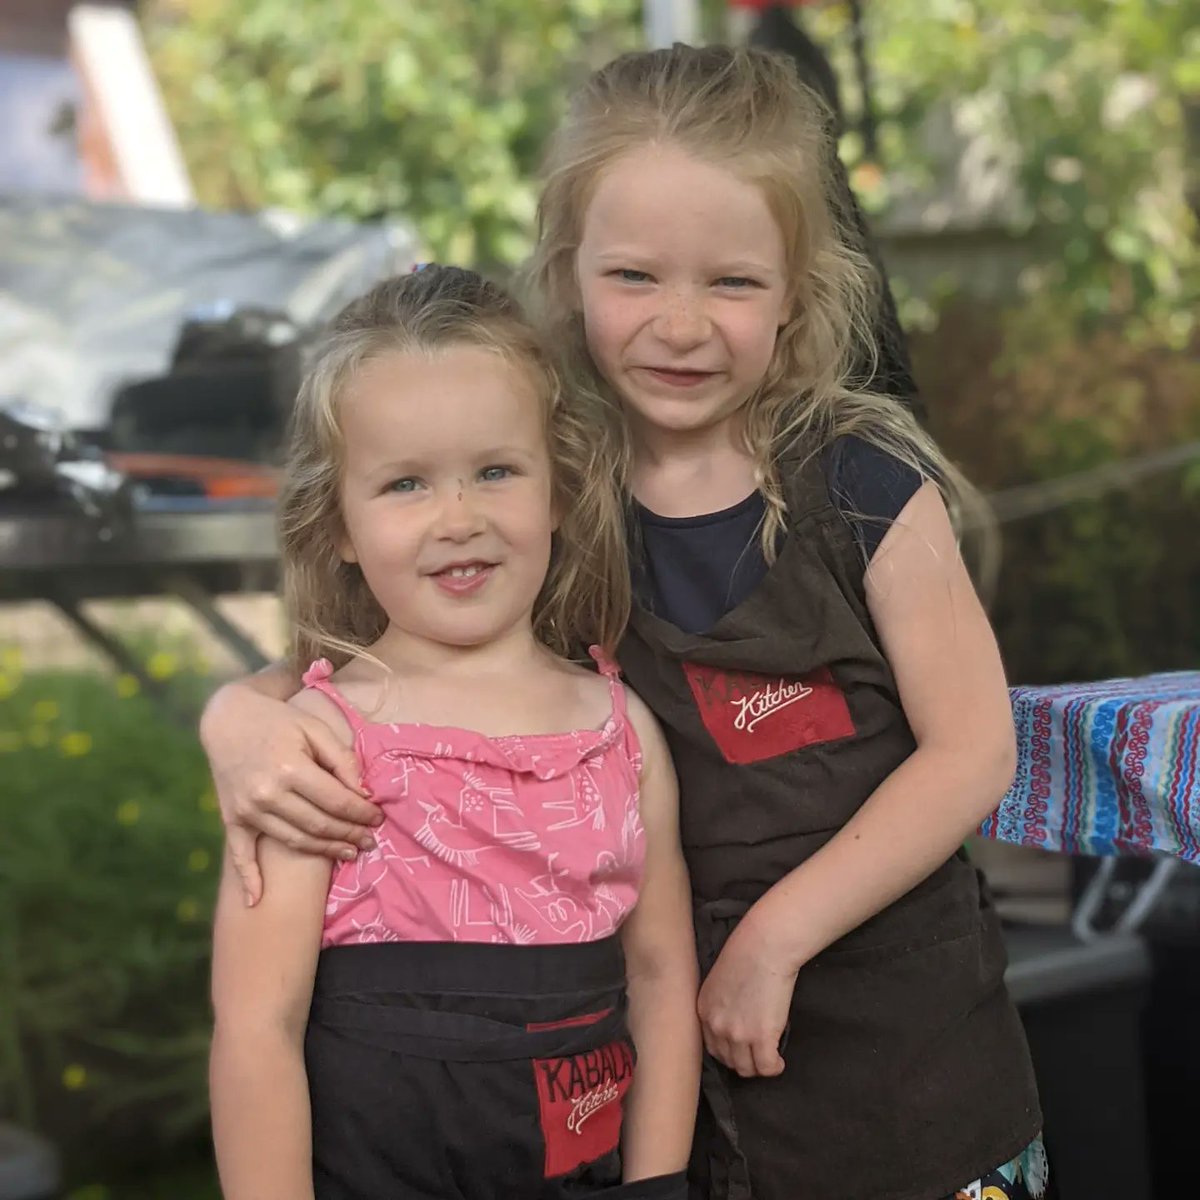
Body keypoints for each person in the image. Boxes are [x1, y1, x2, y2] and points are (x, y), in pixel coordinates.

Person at [200, 47, 1047, 1200]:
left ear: (799, 285)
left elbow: (974, 749)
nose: (683, 325)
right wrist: (236, 717)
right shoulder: (548, 492)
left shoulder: (864, 486)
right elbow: (400, 664)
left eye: (733, 284)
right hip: (682, 1105)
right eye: (637, 277)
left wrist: (773, 938)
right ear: (569, 269)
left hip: (912, 1070)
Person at [207, 265, 699, 1200]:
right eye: (404, 484)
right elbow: (257, 1029)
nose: (459, 518)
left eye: (496, 471)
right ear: (339, 524)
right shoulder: (315, 747)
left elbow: (663, 976)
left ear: (558, 489)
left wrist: (657, 1184)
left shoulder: (620, 732)